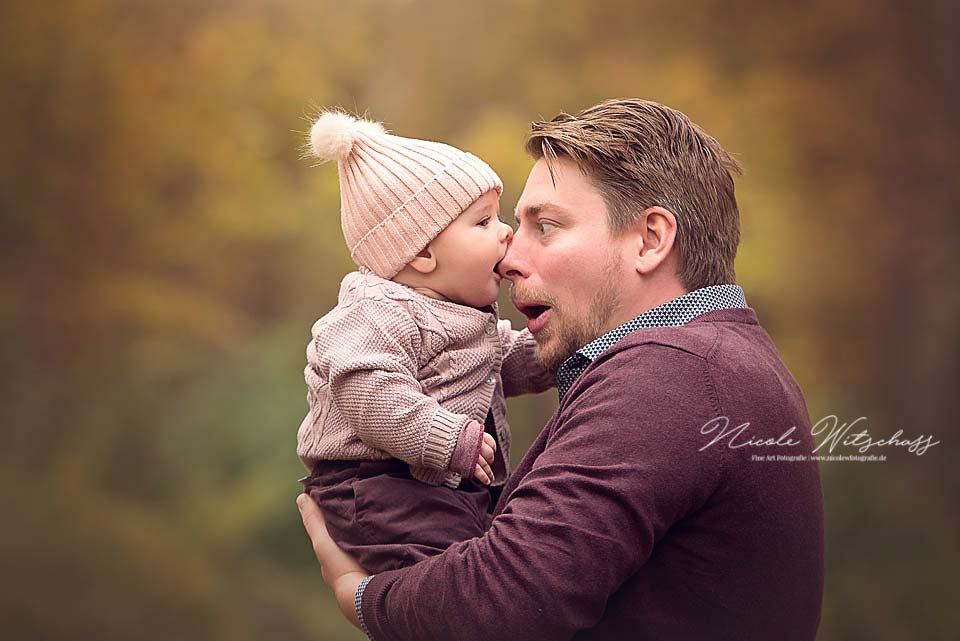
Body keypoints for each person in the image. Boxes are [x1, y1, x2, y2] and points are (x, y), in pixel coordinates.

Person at [298, 98, 825, 641]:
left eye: (545, 227)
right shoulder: (715, 363)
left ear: (650, 240)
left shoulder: (668, 376)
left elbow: (501, 601)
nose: (508, 259)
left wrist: (361, 595)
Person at [296, 111, 554, 574]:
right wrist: (447, 439)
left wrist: (569, 347)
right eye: (482, 223)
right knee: (460, 577)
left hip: (442, 484)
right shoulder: (376, 311)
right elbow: (368, 390)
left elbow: (501, 360)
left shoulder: (458, 314)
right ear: (422, 253)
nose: (505, 232)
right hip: (379, 485)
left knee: (499, 561)